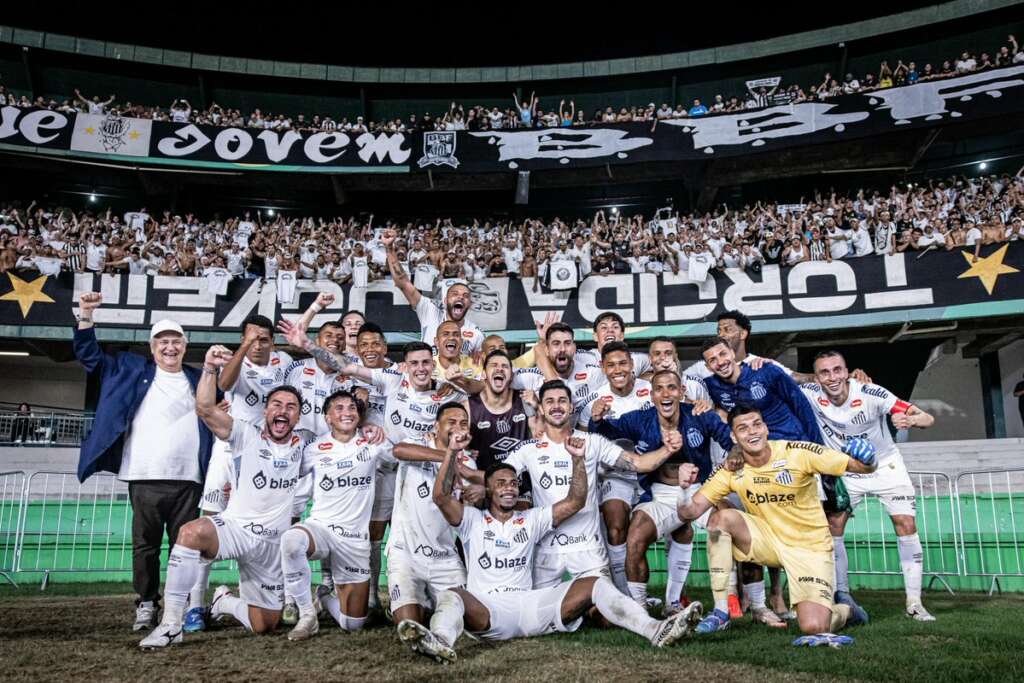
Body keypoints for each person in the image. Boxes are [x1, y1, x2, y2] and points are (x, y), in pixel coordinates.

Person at [397, 431, 702, 663]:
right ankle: (439, 640)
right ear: (487, 489)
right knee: (452, 595)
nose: (509, 487)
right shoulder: (471, 521)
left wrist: (579, 460)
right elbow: (440, 497)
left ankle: (655, 630)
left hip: (531, 607)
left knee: (594, 583)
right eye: (501, 482)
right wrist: (451, 451)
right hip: (489, 611)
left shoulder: (531, 519)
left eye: (514, 482)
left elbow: (575, 501)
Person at [138, 346, 313, 649]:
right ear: (266, 411)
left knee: (264, 624)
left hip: (272, 545)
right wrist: (209, 368)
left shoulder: (306, 446)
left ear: (298, 416)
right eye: (276, 404)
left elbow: (342, 441)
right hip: (237, 529)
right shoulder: (246, 433)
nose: (282, 410)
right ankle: (171, 625)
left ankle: (222, 602)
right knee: (191, 532)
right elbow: (205, 408)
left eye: (291, 406)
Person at [675, 405, 878, 646]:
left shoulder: (797, 452)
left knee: (814, 627)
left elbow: (860, 466)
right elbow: (690, 511)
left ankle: (848, 610)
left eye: (756, 424)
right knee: (721, 518)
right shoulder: (731, 468)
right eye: (743, 428)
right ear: (733, 437)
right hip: (768, 539)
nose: (752, 432)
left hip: (809, 547)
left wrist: (869, 460)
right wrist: (684, 489)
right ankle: (721, 611)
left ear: (765, 427)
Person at [74, 292, 217, 632]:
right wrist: (86, 316)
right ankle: (147, 602)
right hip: (145, 475)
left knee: (186, 549)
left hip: (190, 477)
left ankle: (178, 606)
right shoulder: (129, 368)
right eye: (163, 342)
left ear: (185, 345)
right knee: (146, 546)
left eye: (176, 341)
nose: (170, 347)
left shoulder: (199, 378)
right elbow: (90, 357)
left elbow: (222, 404)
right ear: (153, 347)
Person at [503, 380, 681, 588]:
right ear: (541, 408)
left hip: (588, 548)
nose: (557, 406)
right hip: (547, 550)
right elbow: (498, 476)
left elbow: (639, 463)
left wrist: (668, 449)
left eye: (562, 401)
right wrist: (464, 469)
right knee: (541, 617)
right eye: (549, 402)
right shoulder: (529, 449)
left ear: (571, 407)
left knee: (604, 614)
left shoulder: (592, 441)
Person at [801, 350, 937, 621]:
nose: (832, 377)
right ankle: (842, 595)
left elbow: (927, 418)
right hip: (846, 469)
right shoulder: (809, 393)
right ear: (816, 378)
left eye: (837, 370)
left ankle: (914, 603)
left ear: (847, 371)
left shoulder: (872, 393)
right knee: (834, 526)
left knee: (905, 524)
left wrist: (911, 420)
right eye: (824, 372)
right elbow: (783, 377)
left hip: (885, 465)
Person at [591, 369, 733, 615]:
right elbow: (606, 432)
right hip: (660, 495)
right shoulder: (640, 419)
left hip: (700, 492)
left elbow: (732, 445)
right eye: (659, 389)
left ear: (682, 392)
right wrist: (597, 417)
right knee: (635, 537)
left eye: (672, 388)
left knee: (727, 526)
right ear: (652, 395)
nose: (666, 394)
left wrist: (723, 478)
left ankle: (730, 601)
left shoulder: (700, 416)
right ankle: (638, 608)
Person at [185, 314, 293, 632]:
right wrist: (243, 348)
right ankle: (195, 606)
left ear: (272, 341)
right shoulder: (235, 360)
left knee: (275, 524)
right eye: (250, 337)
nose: (256, 344)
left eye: (262, 338)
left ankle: (273, 598)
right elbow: (224, 385)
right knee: (210, 518)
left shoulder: (283, 360)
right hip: (230, 445)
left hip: (266, 455)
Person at [280, 390, 394, 640]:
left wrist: (381, 433)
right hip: (321, 529)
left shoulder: (373, 442)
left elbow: (397, 458)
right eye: (339, 408)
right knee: (290, 541)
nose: (347, 412)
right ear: (328, 418)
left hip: (354, 540)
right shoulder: (314, 448)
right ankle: (307, 615)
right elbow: (284, 475)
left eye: (351, 408)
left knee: (353, 624)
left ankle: (323, 596)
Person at [577, 342, 653, 595]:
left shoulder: (651, 390)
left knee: (661, 532)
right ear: (603, 368)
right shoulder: (595, 401)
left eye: (622, 363)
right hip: (616, 473)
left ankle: (673, 598)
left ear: (632, 365)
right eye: (611, 365)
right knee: (616, 525)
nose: (617, 369)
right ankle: (624, 595)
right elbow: (587, 443)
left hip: (651, 471)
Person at [383, 229, 484, 357]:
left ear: (469, 304)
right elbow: (402, 281)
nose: (460, 297)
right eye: (454, 294)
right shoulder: (429, 310)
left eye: (465, 296)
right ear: (445, 300)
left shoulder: (476, 334)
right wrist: (389, 247)